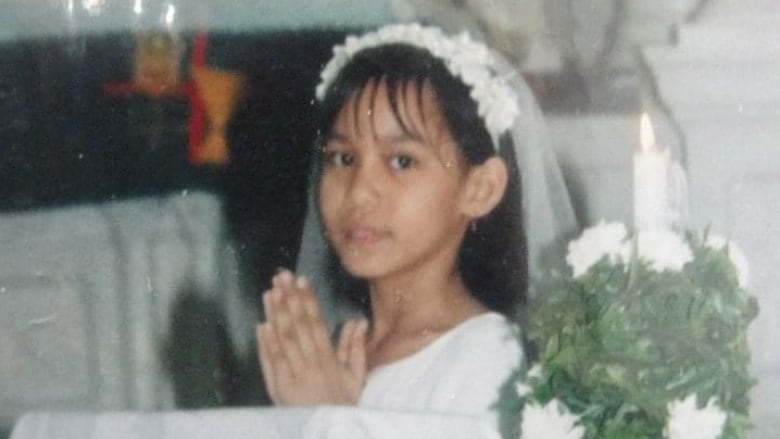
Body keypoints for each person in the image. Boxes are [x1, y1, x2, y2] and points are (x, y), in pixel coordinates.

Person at [256, 23, 577, 427]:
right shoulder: (337, 352)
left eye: (401, 161)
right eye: (342, 158)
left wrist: (331, 417)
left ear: (480, 188)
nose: (359, 193)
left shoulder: (484, 357)